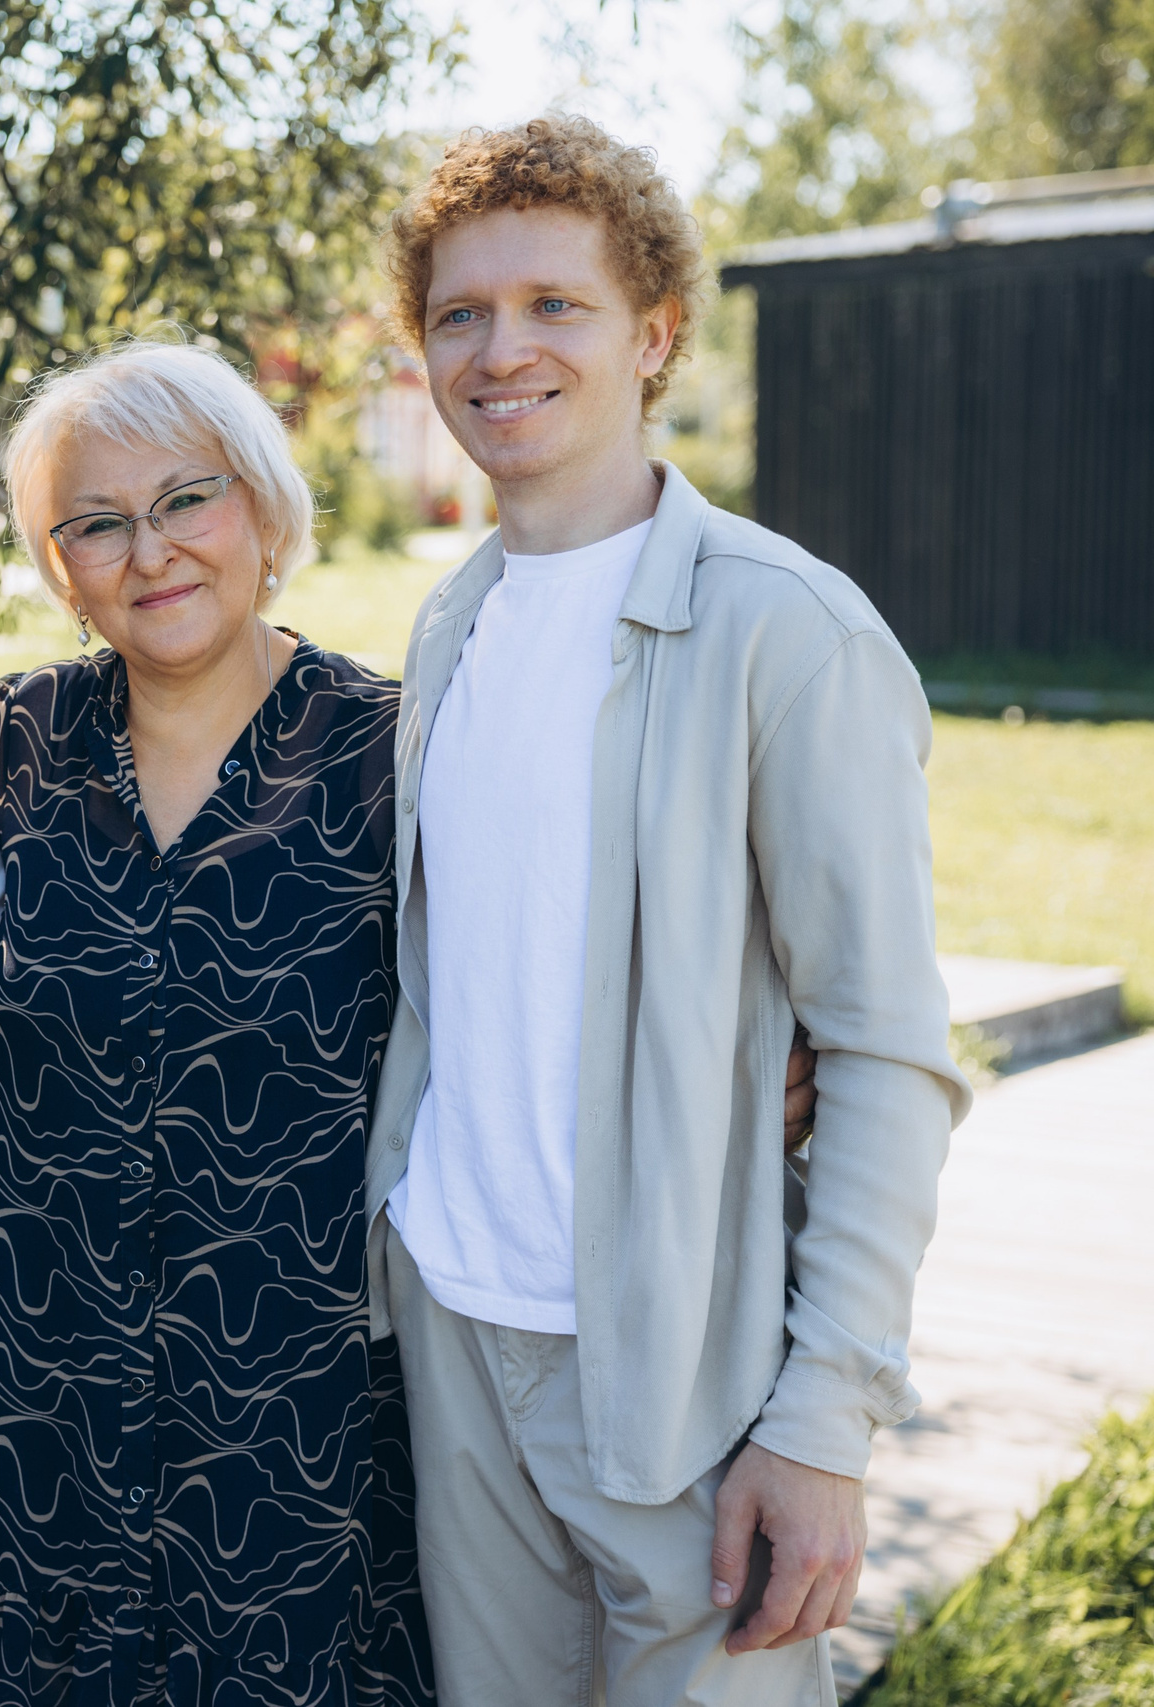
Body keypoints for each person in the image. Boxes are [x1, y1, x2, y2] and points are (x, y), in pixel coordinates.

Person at [366, 116, 970, 1704]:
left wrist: (824, 1418)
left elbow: (891, 1054)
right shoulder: (452, 625)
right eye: (459, 314)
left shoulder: (792, 636)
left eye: (554, 305)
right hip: (456, 1333)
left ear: (655, 334)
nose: (501, 350)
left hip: (686, 1379)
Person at [0, 341, 435, 1705]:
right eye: (96, 520)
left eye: (186, 499)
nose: (148, 550)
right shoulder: (19, 745)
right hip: (45, 1397)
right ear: (60, 562)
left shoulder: (386, 751)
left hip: (300, 1408)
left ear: (264, 510)